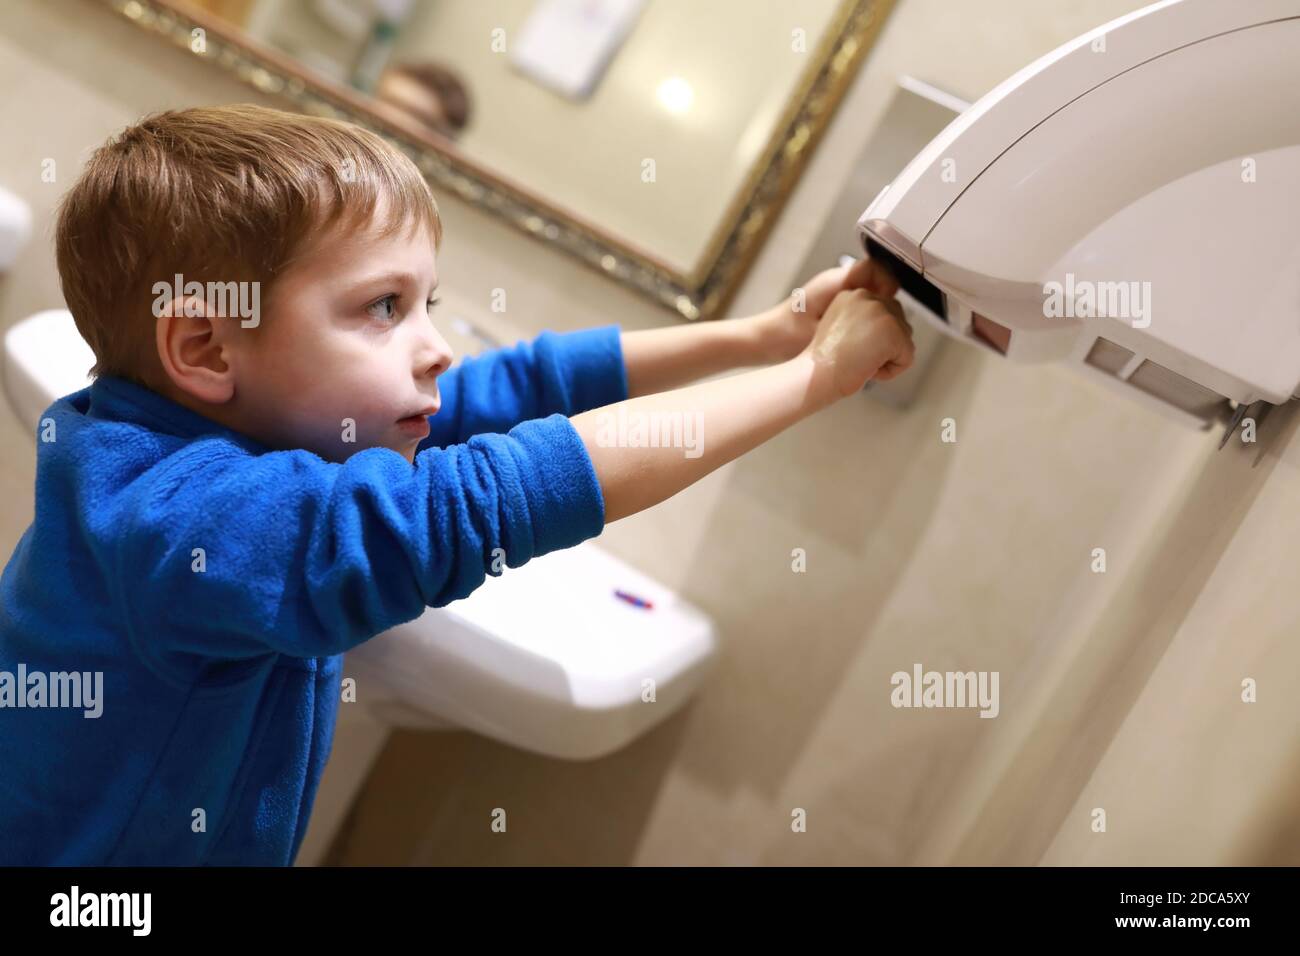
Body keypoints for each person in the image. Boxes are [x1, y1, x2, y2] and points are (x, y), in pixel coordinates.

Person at [0, 104, 912, 864]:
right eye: (382, 308)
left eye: (424, 304)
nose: (435, 348)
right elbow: (477, 503)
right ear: (205, 347)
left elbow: (510, 391)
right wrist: (812, 385)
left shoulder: (205, 431)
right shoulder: (176, 518)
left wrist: (767, 336)